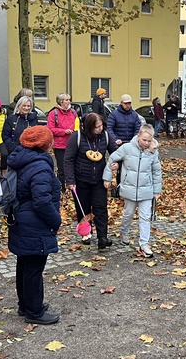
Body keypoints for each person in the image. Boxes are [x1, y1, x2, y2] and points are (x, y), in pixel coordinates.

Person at [6, 126, 62, 325]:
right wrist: (55, 220)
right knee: (34, 269)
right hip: (35, 223)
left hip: (21, 218)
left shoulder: (21, 159)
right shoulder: (40, 166)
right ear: (45, 144)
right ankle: (34, 311)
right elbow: (42, 201)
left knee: (24, 264)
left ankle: (25, 304)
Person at [103, 125, 162, 258]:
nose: (146, 143)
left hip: (146, 190)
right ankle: (124, 232)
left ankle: (144, 244)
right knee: (128, 214)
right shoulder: (127, 148)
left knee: (145, 217)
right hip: (129, 188)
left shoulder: (153, 152)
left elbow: (156, 171)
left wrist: (157, 190)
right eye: (144, 140)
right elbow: (112, 159)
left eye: (149, 141)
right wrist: (107, 177)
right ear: (138, 136)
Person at [65, 113, 120, 249]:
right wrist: (70, 180)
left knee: (100, 208)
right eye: (96, 127)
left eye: (101, 125)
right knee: (83, 209)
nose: (100, 129)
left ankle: (102, 237)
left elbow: (116, 153)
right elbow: (68, 159)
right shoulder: (77, 136)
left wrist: (117, 164)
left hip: (99, 180)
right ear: (89, 127)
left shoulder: (105, 135)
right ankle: (86, 234)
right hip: (80, 180)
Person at [47, 93, 78, 192]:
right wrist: (64, 131)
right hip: (60, 145)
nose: (69, 102)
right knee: (62, 168)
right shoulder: (53, 113)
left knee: (74, 166)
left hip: (73, 143)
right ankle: (61, 188)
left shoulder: (73, 112)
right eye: (66, 100)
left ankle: (73, 186)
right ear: (60, 101)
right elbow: (50, 128)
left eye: (69, 100)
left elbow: (77, 125)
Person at [2, 95, 39, 165]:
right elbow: (5, 135)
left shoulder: (34, 119)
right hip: (15, 153)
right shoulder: (11, 119)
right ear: (19, 106)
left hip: (31, 153)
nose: (26, 108)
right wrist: (12, 148)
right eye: (24, 106)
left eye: (28, 106)